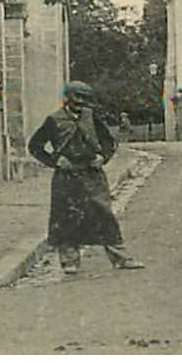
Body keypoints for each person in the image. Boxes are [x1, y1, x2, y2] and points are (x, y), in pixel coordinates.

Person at [28, 80, 146, 275]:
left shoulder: (92, 118)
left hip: (92, 174)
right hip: (66, 177)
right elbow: (35, 146)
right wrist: (54, 161)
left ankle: (121, 258)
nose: (80, 106)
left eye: (84, 102)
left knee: (104, 215)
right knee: (66, 217)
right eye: (76, 101)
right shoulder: (53, 120)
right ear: (66, 99)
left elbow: (108, 142)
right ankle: (69, 261)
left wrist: (102, 158)